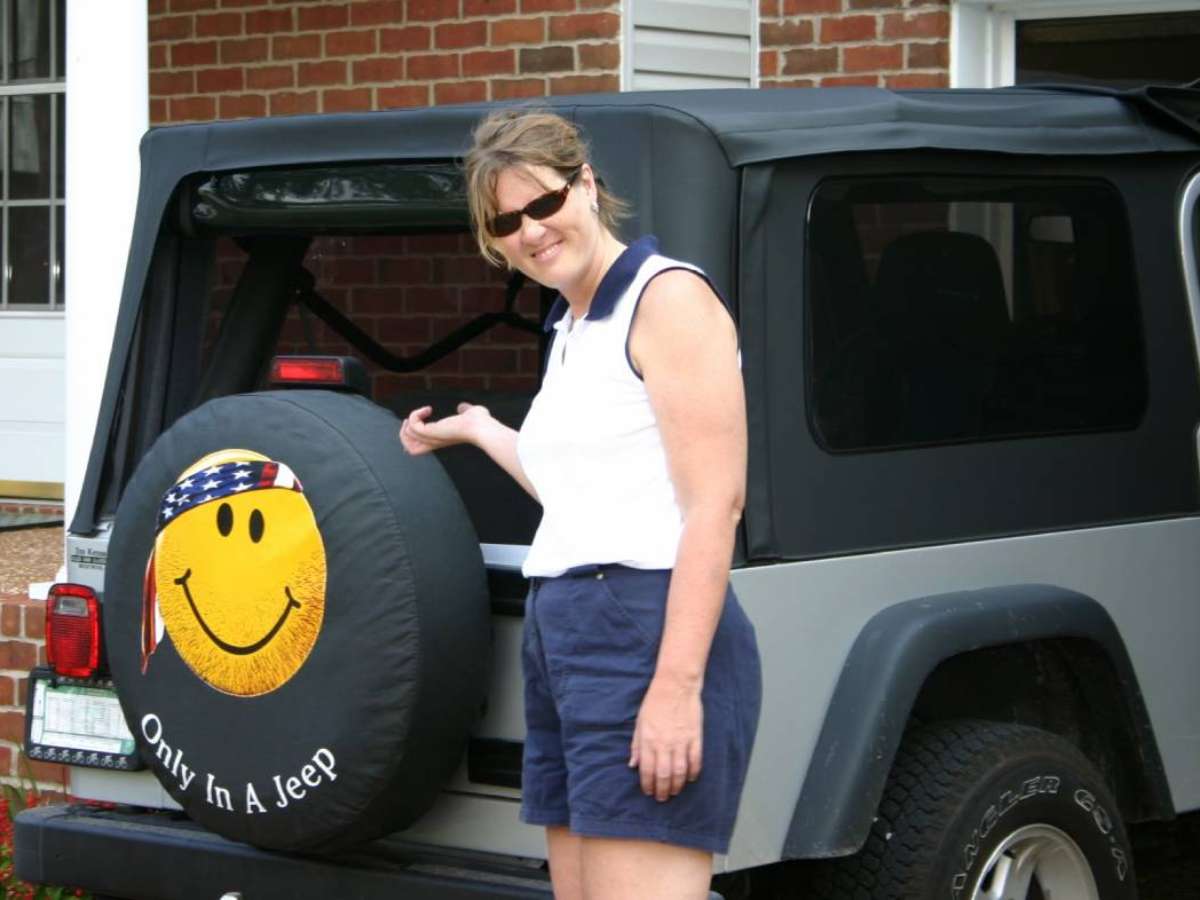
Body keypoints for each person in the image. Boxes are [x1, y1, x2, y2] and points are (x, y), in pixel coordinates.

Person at [399, 109, 761, 900]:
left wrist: (675, 689)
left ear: (587, 185)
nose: (531, 231)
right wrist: (482, 431)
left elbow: (714, 506)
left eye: (543, 203)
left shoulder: (665, 300)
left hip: (642, 629)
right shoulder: (573, 322)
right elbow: (580, 490)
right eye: (506, 221)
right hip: (565, 630)